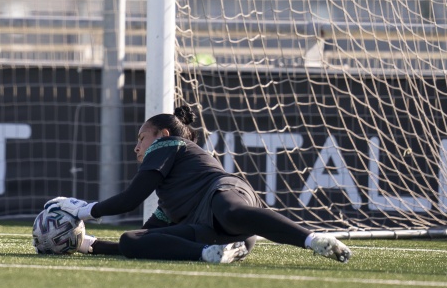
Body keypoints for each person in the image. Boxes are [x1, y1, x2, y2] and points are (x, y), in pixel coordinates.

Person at [45, 106, 352, 264]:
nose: (136, 147)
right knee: (131, 240)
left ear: (162, 135)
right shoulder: (169, 200)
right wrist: (87, 245)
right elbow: (150, 236)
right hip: (228, 241)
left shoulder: (168, 145)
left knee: (229, 211)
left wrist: (84, 210)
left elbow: (131, 199)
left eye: (141, 138)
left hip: (227, 194)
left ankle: (314, 240)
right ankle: (208, 254)